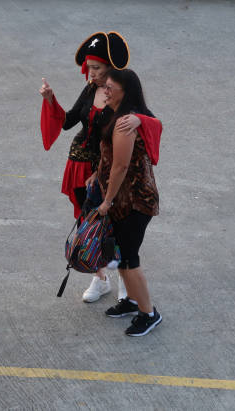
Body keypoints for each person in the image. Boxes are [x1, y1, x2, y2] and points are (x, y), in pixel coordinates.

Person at [39, 32, 140, 303]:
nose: (90, 73)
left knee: (115, 224)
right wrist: (50, 98)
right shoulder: (89, 89)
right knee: (89, 224)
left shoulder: (120, 92)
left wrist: (140, 121)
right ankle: (100, 279)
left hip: (107, 169)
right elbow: (68, 121)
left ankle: (124, 282)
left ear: (110, 68)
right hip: (80, 166)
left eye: (95, 68)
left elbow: (142, 115)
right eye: (89, 67)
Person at [96, 69, 163, 336]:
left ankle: (149, 313)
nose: (105, 90)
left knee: (129, 258)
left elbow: (121, 166)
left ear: (125, 92)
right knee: (123, 255)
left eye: (111, 87)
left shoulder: (125, 123)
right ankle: (133, 301)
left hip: (133, 201)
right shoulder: (120, 116)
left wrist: (107, 201)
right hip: (125, 200)